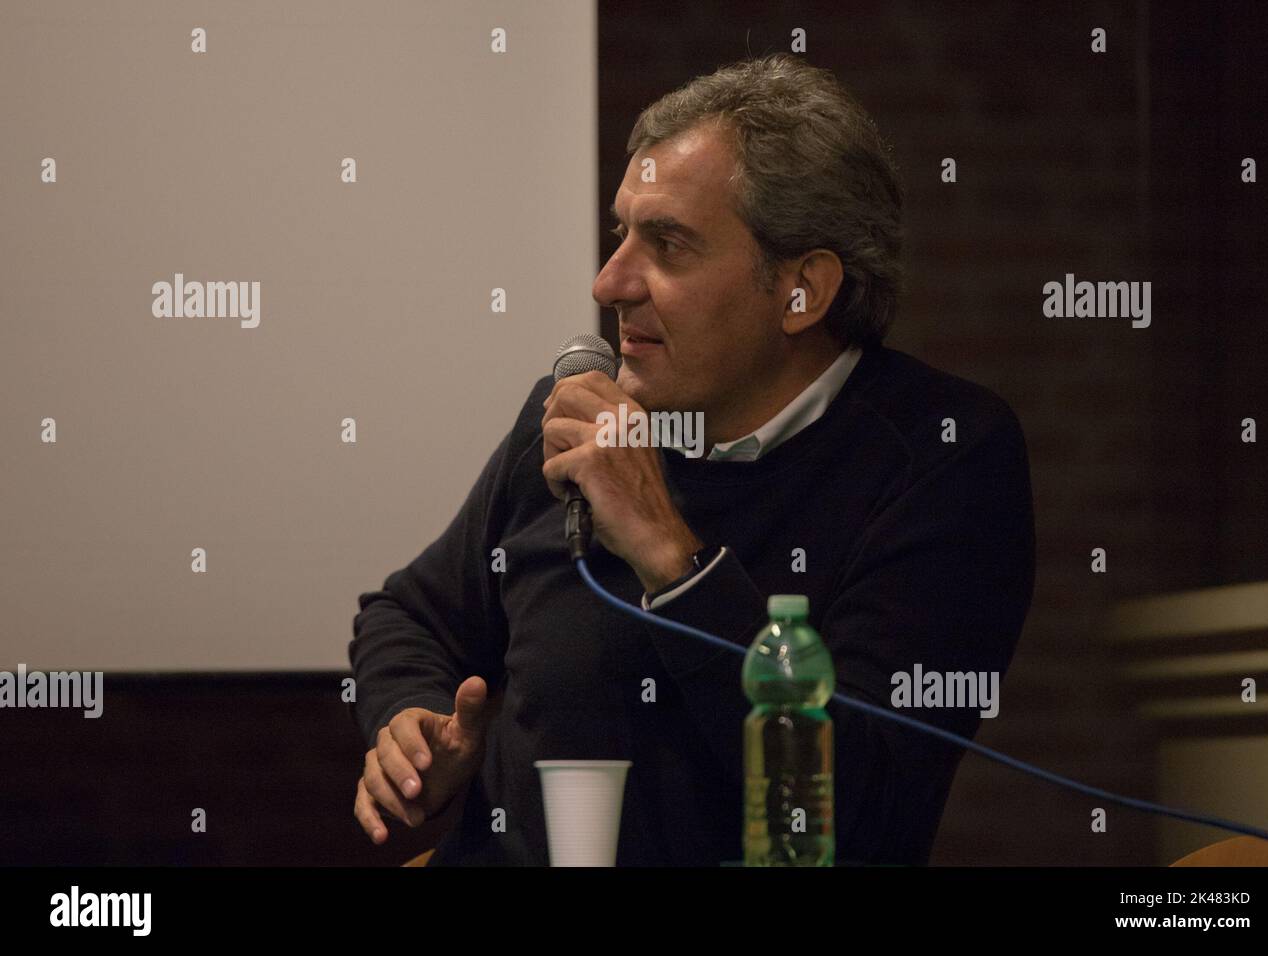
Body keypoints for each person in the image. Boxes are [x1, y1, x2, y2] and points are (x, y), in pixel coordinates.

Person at [348, 53, 1035, 865]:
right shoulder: (575, 412)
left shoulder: (942, 460)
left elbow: (860, 815)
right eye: (621, 235)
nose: (609, 283)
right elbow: (410, 616)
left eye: (667, 245)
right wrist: (413, 722)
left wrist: (667, 551)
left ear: (801, 290)